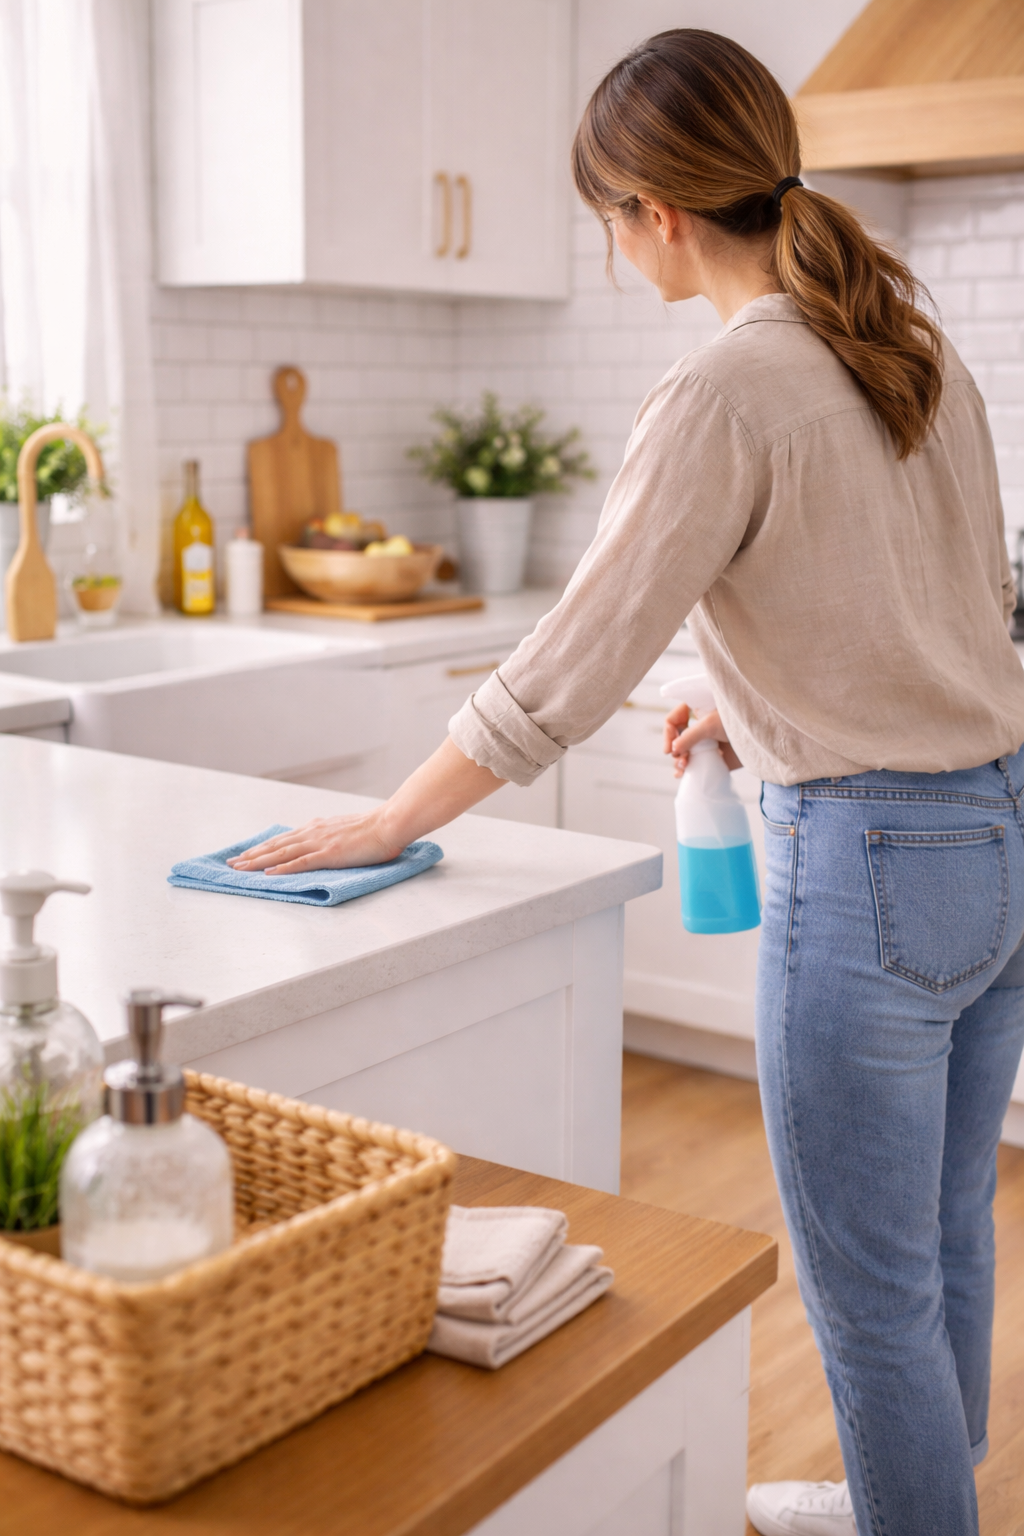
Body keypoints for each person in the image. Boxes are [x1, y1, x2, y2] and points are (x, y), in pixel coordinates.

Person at [228, 30, 1024, 1536]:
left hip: (869, 871)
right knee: (940, 1237)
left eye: (607, 218)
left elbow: (576, 654)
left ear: (658, 210)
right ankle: (901, 1501)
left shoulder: (727, 388)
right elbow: (942, 613)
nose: (609, 253)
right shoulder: (910, 349)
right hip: (998, 835)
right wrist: (746, 703)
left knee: (864, 1289)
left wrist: (395, 816)